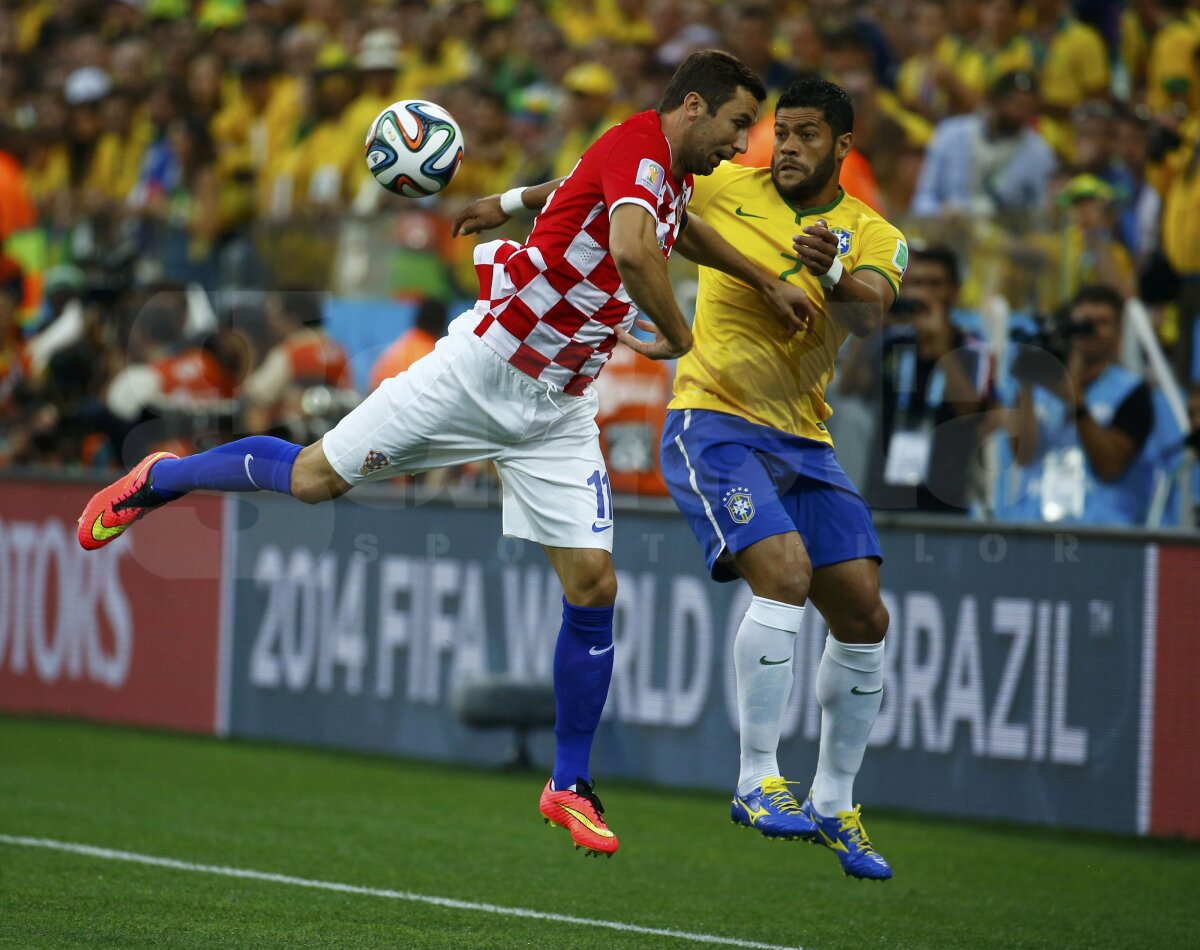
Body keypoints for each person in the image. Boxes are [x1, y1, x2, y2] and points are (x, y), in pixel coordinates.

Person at [77, 50, 815, 858]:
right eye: (741, 124)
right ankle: (162, 477)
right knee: (313, 477)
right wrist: (678, 336)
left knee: (596, 583)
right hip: (482, 370)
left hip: (557, 409)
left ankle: (568, 783)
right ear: (695, 106)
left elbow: (642, 217)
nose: (744, 143)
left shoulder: (659, 167)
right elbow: (639, 251)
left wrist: (509, 201)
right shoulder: (636, 146)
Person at [657, 77, 904, 881]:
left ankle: (835, 799)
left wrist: (831, 273)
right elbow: (626, 187)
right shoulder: (728, 184)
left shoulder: (872, 232)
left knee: (865, 614)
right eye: (780, 132)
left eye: (805, 135)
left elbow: (872, 314)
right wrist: (516, 198)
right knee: (786, 575)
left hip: (804, 437)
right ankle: (756, 777)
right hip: (716, 417)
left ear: (842, 145)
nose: (786, 147)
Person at [1001, 284, 1158, 525]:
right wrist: (1026, 383)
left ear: (1118, 332)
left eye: (1103, 323)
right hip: (1033, 525)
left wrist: (1076, 402)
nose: (1091, 331)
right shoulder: (1040, 385)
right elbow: (1022, 455)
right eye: (1084, 323)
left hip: (1099, 533)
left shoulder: (1133, 391)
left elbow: (1110, 466)